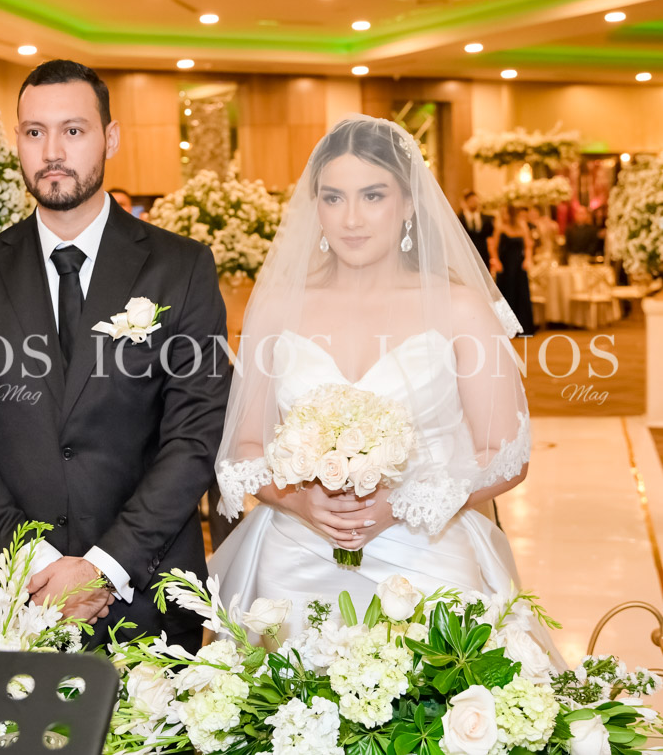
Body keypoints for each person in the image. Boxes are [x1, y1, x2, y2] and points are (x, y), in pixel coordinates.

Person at [209, 117, 558, 661]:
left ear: (409, 202)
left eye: (373, 195)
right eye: (333, 197)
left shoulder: (461, 309)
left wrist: (404, 504)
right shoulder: (277, 307)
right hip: (294, 563)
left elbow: (505, 454)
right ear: (315, 207)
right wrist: (298, 499)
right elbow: (244, 445)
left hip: (427, 558)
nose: (351, 218)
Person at [0, 60, 229, 651]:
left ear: (110, 138)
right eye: (34, 132)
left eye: (73, 130)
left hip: (147, 596)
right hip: (12, 596)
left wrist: (103, 567)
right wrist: (35, 563)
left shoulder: (182, 267)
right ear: (17, 141)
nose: (52, 152)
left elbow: (195, 435)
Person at [493, 205, 535, 336]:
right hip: (505, 266)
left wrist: (527, 259)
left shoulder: (522, 226)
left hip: (519, 265)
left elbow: (528, 245)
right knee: (507, 294)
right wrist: (496, 261)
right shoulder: (500, 227)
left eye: (506, 213)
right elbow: (493, 247)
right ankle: (506, 327)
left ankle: (523, 327)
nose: (504, 216)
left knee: (521, 294)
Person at [457, 190, 499, 274]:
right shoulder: (458, 218)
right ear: (466, 202)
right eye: (471, 201)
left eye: (476, 201)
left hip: (483, 254)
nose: (474, 203)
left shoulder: (487, 218)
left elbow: (491, 237)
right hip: (466, 254)